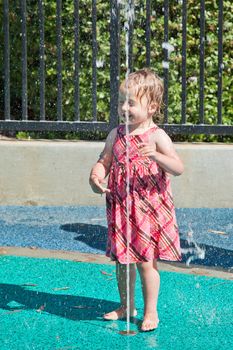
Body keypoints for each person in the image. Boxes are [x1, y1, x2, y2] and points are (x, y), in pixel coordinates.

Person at [89, 68, 184, 332]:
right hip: (122, 208)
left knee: (145, 262)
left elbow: (178, 167)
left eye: (131, 102)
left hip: (149, 211)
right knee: (123, 259)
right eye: (121, 101)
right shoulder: (115, 135)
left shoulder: (157, 136)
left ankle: (151, 311)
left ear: (152, 106)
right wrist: (96, 176)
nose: (124, 108)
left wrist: (156, 156)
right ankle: (126, 305)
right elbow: (104, 161)